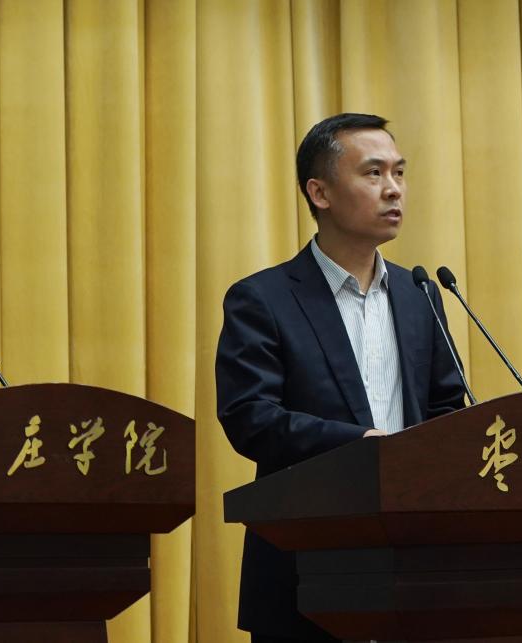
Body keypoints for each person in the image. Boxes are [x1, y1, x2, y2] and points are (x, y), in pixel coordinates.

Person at [216, 113, 467, 642]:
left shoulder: (420, 294)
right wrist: (361, 445)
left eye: (399, 172)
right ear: (320, 192)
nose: (394, 189)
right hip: (306, 565)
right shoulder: (263, 299)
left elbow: (447, 410)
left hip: (414, 568)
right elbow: (250, 418)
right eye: (373, 173)